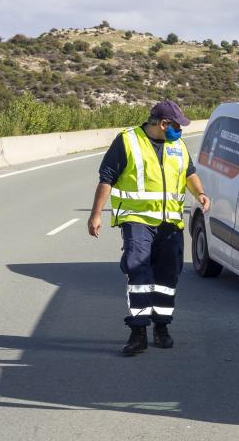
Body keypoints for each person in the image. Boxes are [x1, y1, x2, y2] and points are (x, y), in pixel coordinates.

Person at [87, 100, 210, 356]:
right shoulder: (127, 141)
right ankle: (138, 332)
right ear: (163, 124)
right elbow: (106, 178)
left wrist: (200, 193)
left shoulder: (177, 145)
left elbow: (189, 172)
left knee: (167, 277)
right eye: (177, 125)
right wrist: (95, 214)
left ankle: (162, 327)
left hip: (170, 224)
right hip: (137, 221)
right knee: (138, 273)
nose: (181, 130)